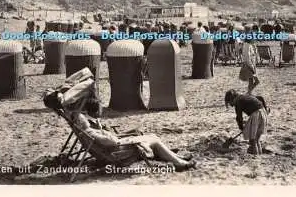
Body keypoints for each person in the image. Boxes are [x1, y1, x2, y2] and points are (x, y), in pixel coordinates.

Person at [44, 70, 196, 172]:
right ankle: (179, 163)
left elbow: (95, 136)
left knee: (148, 137)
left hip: (111, 148)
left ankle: (175, 158)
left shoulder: (74, 117)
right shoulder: (83, 122)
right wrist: (113, 137)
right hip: (117, 153)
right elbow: (105, 140)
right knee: (154, 140)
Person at [224, 90, 268, 155]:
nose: (231, 105)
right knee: (257, 140)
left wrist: (242, 128)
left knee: (253, 141)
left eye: (230, 102)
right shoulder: (245, 96)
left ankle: (256, 159)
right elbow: (260, 98)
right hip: (263, 112)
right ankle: (259, 157)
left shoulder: (238, 102)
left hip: (256, 114)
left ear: (232, 99)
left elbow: (239, 118)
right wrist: (265, 109)